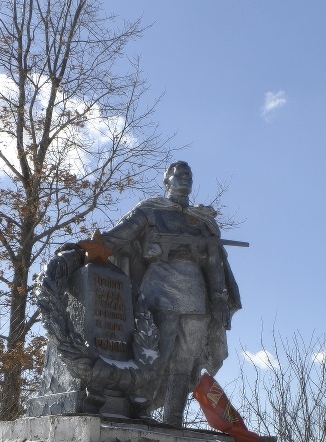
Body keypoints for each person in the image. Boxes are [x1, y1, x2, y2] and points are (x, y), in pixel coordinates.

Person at [98, 161, 241, 426]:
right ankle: (141, 408)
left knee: (186, 358)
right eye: (179, 174)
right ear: (167, 180)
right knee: (156, 350)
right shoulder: (150, 212)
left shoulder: (201, 220)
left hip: (195, 290)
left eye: (189, 175)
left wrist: (220, 299)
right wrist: (87, 248)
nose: (185, 178)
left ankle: (173, 417)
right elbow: (117, 237)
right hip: (159, 285)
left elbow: (214, 261)